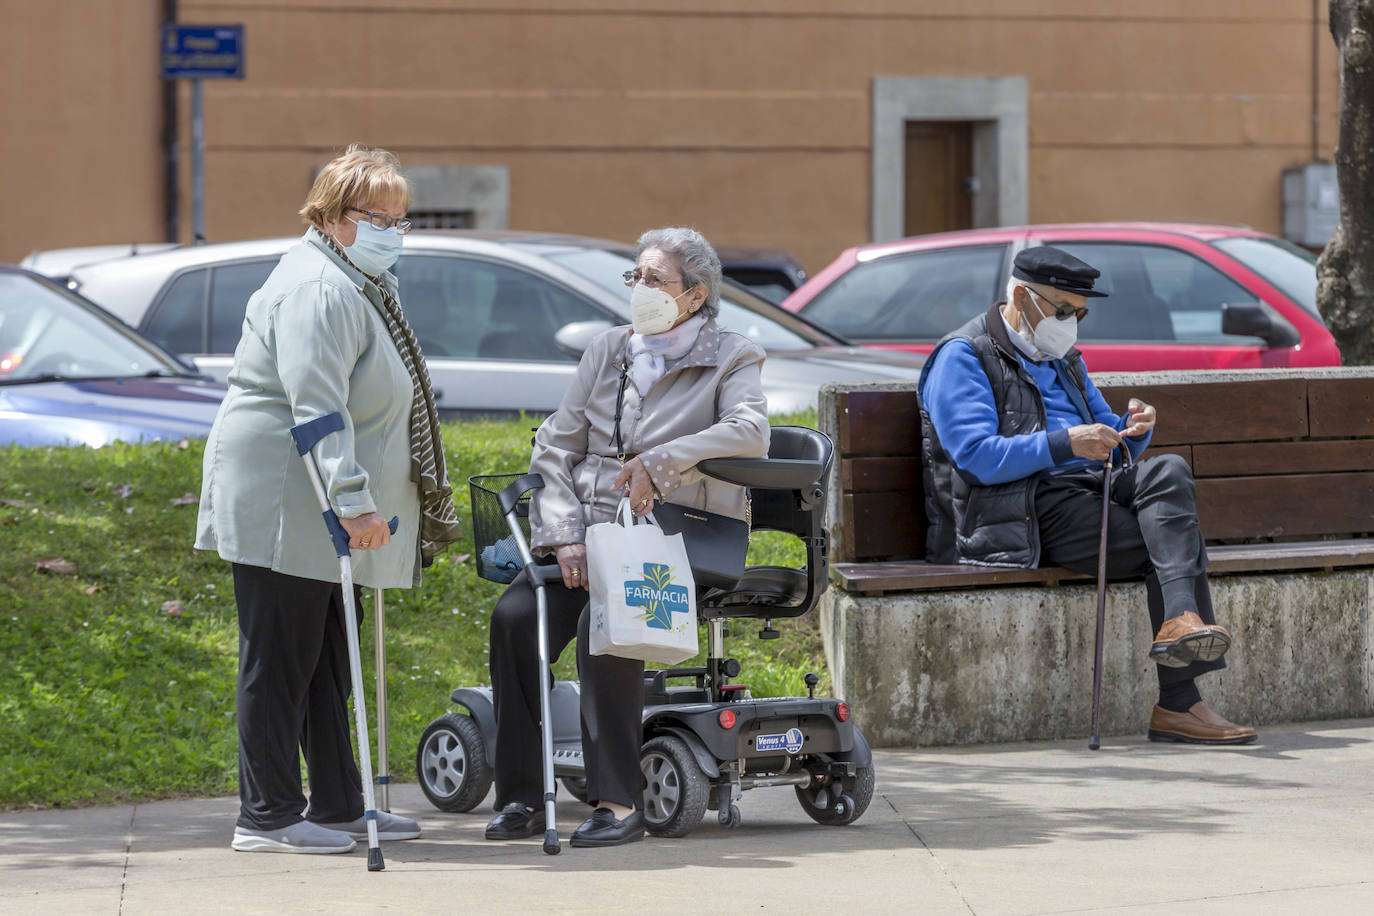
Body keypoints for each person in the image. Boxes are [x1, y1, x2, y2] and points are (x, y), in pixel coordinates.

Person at [196, 144, 462, 853]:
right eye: (378, 217)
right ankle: (267, 816)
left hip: (313, 496)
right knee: (279, 659)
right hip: (288, 496)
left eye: (401, 220)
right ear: (331, 215)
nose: (392, 232)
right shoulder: (319, 289)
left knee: (326, 660)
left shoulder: (357, 281)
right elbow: (316, 408)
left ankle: (341, 803)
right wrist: (354, 501)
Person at [483, 226, 770, 847]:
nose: (640, 288)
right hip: (590, 539)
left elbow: (751, 432)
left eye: (655, 279)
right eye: (635, 276)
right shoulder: (608, 349)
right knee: (515, 618)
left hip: (672, 539)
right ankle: (523, 796)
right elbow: (554, 447)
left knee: (605, 622)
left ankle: (617, 801)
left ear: (695, 296)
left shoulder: (732, 355)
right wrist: (565, 537)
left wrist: (663, 463)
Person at [918, 246, 1256, 745]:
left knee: (1168, 470)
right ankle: (1179, 703)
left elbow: (1111, 444)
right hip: (1024, 508)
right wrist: (1065, 443)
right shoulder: (963, 355)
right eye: (1062, 310)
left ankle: (1181, 625)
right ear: (1021, 297)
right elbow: (975, 457)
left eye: (1079, 314)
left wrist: (1133, 429)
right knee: (1171, 542)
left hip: (1089, 488)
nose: (1070, 324)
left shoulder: (1064, 360)